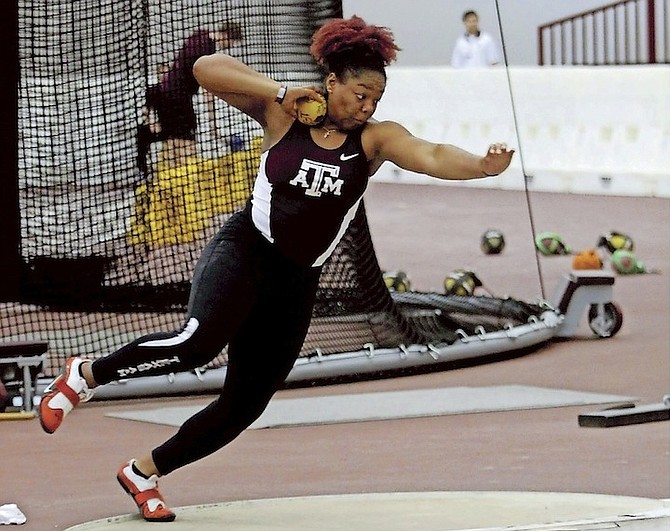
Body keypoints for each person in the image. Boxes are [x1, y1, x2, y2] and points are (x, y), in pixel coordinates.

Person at [39, 15, 514, 523]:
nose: (367, 105)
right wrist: (279, 89)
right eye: (358, 93)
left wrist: (482, 167)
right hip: (244, 252)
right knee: (197, 344)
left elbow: (433, 154)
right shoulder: (284, 115)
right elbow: (204, 68)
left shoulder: (375, 141)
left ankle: (143, 472)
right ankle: (86, 375)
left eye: (375, 97)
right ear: (331, 83)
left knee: (245, 405)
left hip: (295, 282)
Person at [137, 21, 244, 172]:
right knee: (187, 148)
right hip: (177, 99)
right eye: (232, 43)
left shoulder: (200, 33)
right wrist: (214, 127)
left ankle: (168, 180)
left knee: (173, 141)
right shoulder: (208, 50)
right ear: (226, 35)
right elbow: (209, 91)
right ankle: (181, 182)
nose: (230, 47)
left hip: (169, 96)